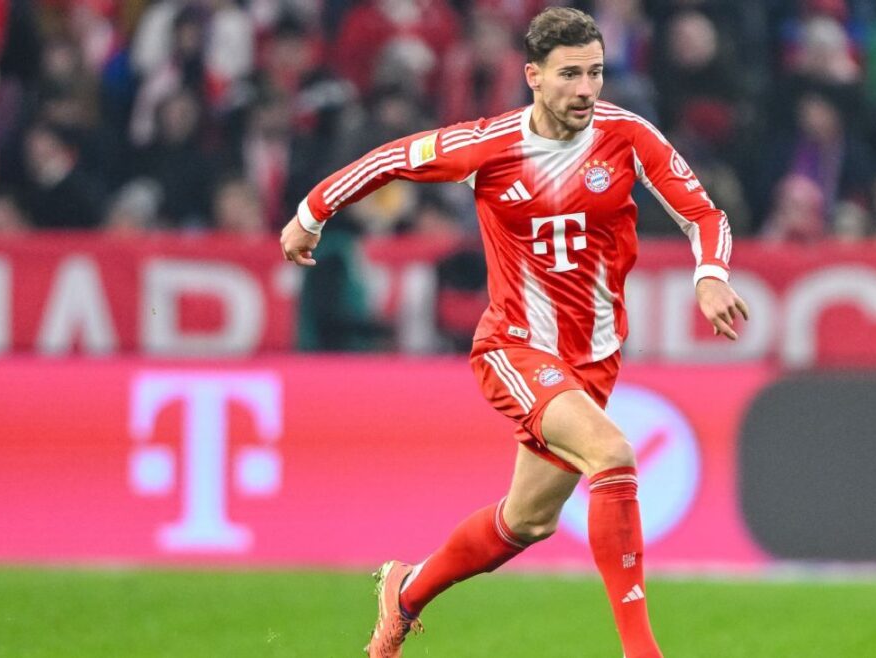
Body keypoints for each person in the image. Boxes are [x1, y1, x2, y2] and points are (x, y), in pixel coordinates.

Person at [279, 8, 747, 658]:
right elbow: (392, 159)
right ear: (533, 76)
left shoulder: (627, 135)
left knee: (527, 522)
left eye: (595, 73)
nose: (586, 89)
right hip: (516, 347)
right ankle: (642, 651)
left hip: (594, 361)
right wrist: (310, 213)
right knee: (613, 454)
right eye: (570, 74)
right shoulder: (490, 146)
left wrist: (711, 275)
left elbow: (703, 214)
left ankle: (406, 591)